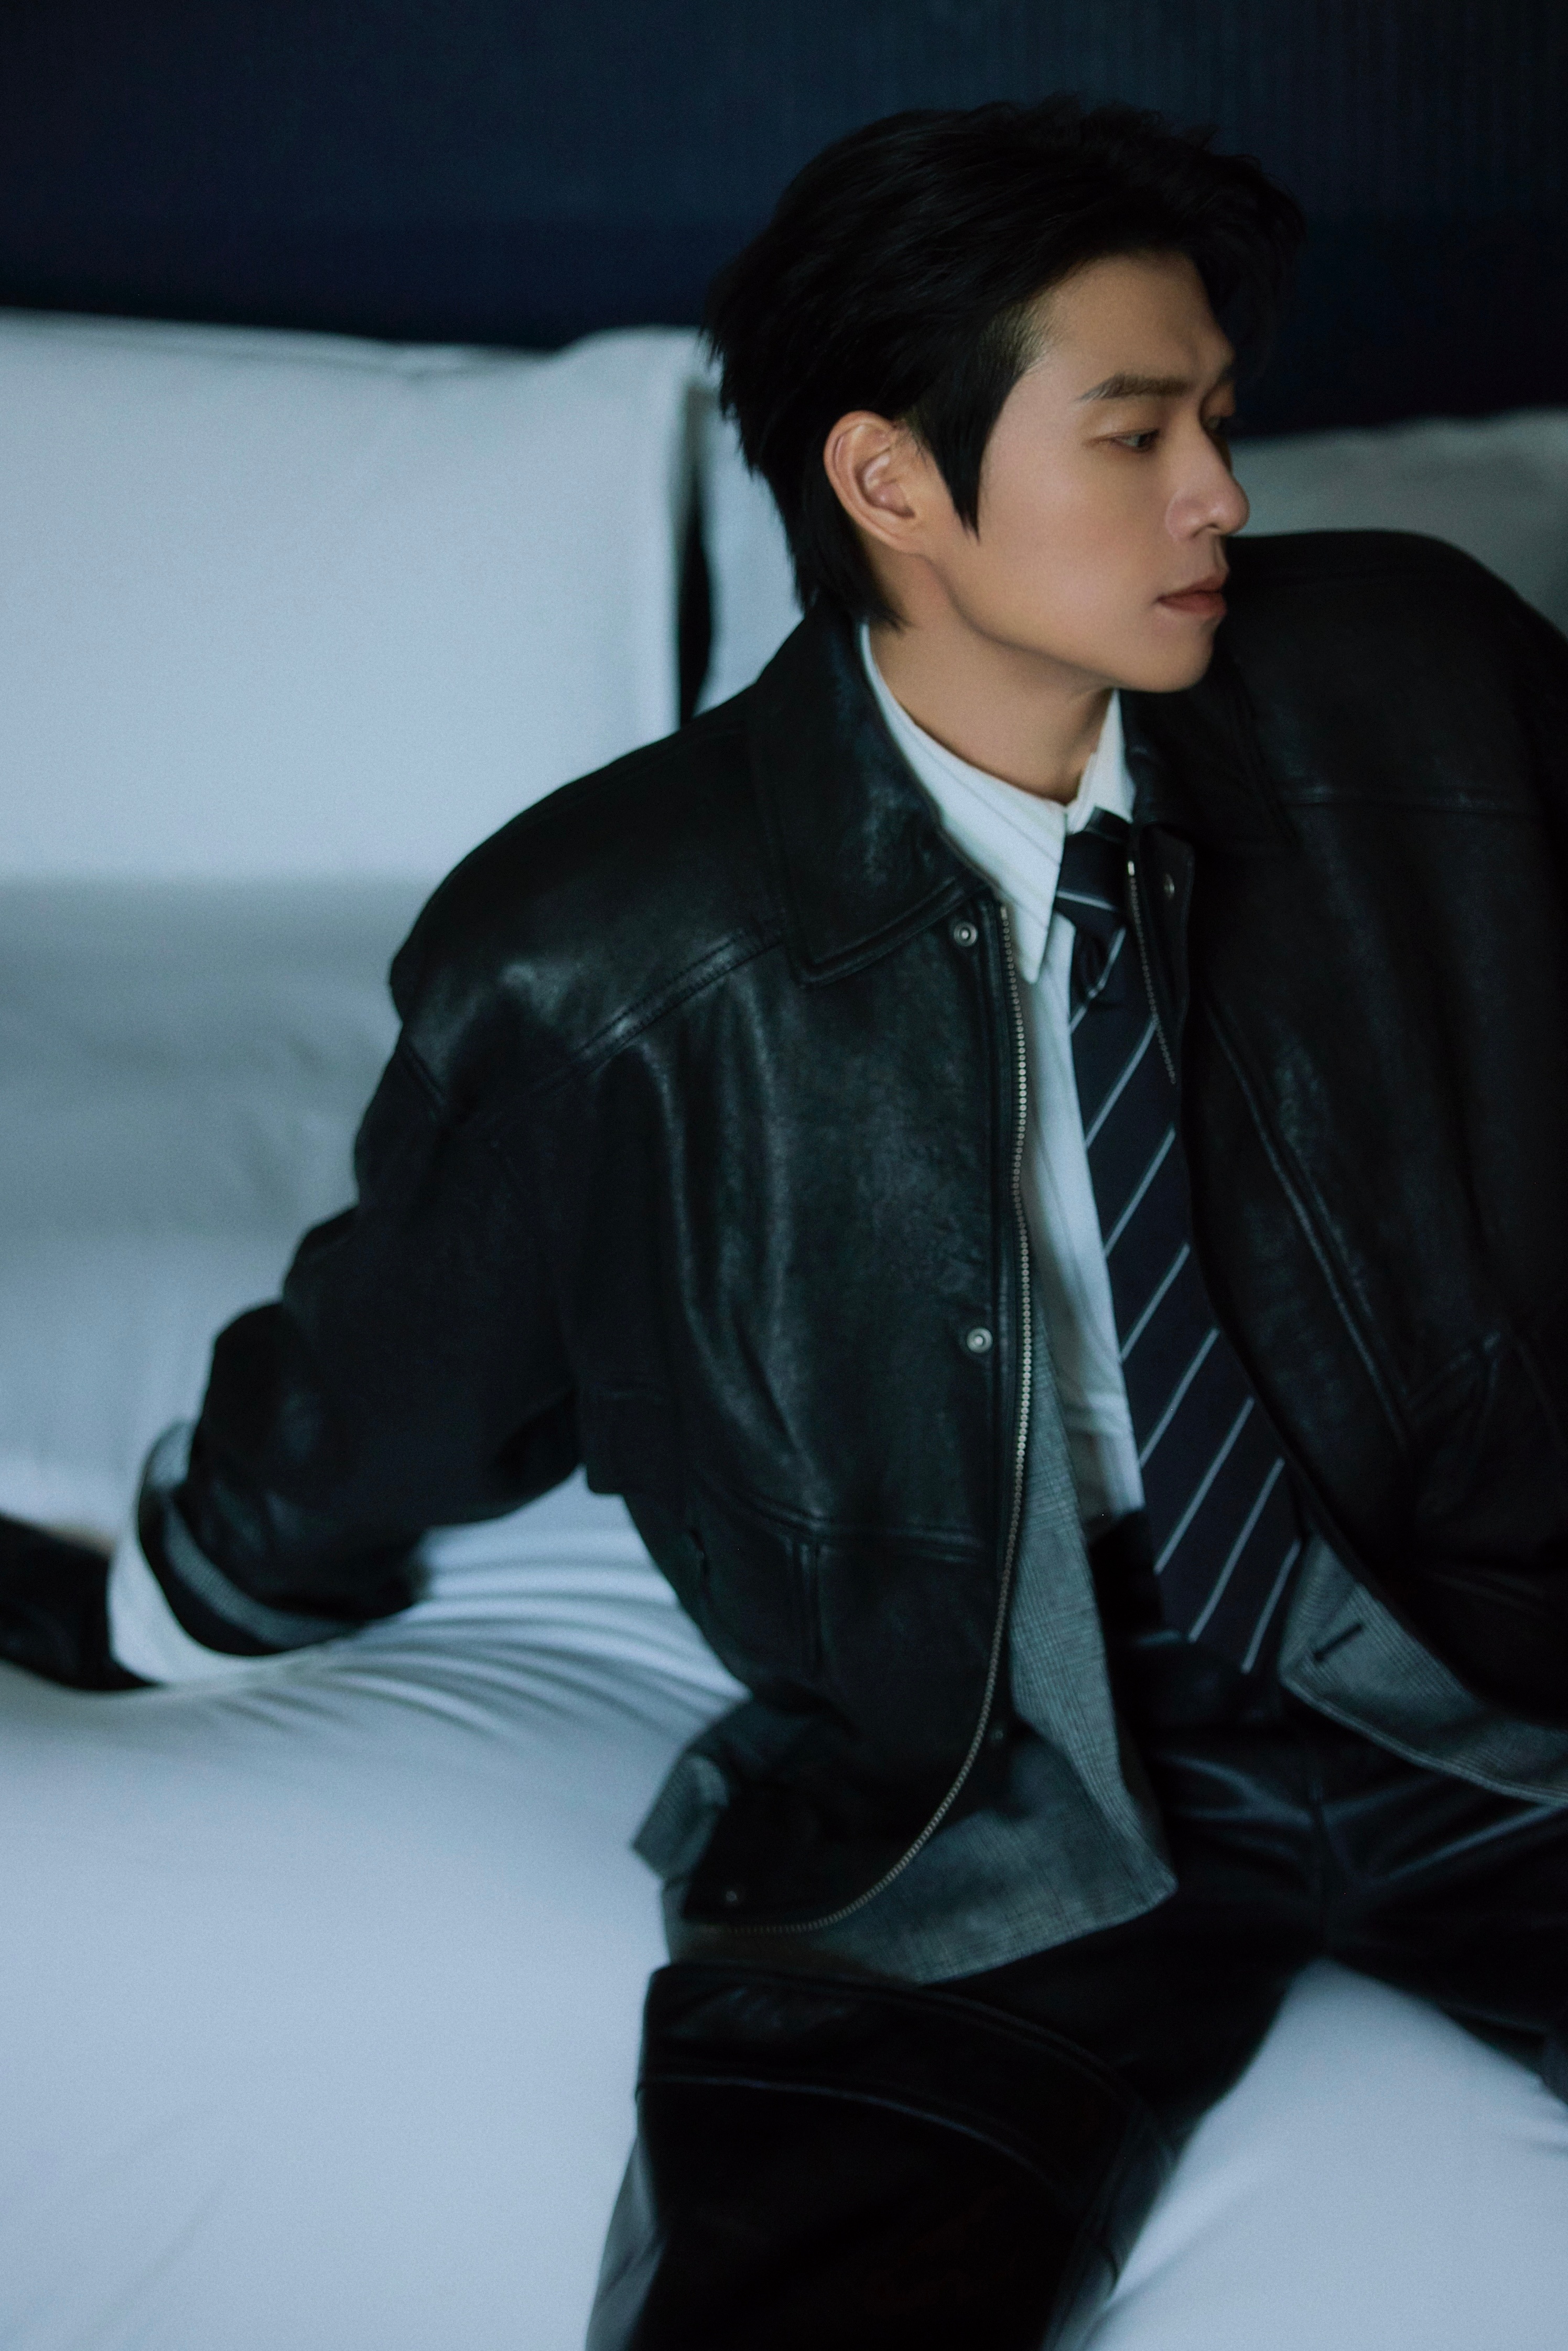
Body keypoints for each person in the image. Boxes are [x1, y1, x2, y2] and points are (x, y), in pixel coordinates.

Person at [6, 94, 1568, 2349]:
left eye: (1220, 420)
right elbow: (406, 1360)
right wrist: (187, 1591)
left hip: (1487, 1649)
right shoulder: (604, 952)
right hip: (976, 1785)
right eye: (1135, 435)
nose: (1222, 495)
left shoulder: (1426, 686)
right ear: (889, 482)